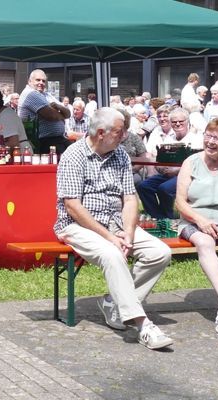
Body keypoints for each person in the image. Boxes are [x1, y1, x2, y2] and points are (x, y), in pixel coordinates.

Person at [55, 107, 173, 350]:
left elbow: (130, 199)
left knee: (160, 252)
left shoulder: (120, 155)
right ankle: (142, 325)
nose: (125, 135)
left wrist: (128, 233)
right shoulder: (73, 155)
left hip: (116, 224)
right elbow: (72, 207)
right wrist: (110, 237)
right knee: (112, 254)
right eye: (120, 131)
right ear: (101, 133)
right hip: (77, 226)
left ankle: (115, 303)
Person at [175, 118, 218, 334]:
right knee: (204, 243)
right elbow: (180, 202)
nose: (210, 142)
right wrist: (199, 220)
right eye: (208, 136)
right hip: (195, 219)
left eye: (217, 138)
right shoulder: (191, 162)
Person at [139, 107, 202, 219]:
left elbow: (197, 163)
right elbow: (160, 159)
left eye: (181, 121)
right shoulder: (169, 138)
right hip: (167, 174)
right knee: (144, 186)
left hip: (187, 176)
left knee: (165, 189)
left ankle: (169, 217)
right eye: (174, 122)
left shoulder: (196, 139)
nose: (177, 124)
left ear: (187, 121)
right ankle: (158, 217)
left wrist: (176, 170)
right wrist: (161, 168)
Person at [18, 69, 71, 154]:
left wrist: (58, 107)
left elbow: (68, 113)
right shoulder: (31, 94)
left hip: (57, 140)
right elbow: (51, 116)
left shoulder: (46, 95)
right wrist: (61, 115)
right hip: (44, 142)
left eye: (43, 81)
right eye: (38, 80)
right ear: (29, 81)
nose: (41, 83)